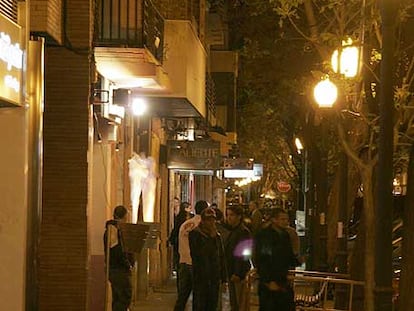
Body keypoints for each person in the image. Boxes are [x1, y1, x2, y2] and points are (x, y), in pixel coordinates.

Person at [254, 208, 299, 311]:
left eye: (286, 219)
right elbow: (262, 259)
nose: (285, 222)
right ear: (274, 220)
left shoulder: (285, 235)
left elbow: (288, 256)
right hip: (269, 284)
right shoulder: (265, 236)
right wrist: (268, 280)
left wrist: (297, 261)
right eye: (282, 219)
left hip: (283, 281)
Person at [173, 200, 209, 311]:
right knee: (198, 296)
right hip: (196, 264)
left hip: (183, 262)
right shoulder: (203, 226)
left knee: (182, 296)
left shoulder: (185, 225)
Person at [189, 208, 226, 311]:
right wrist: (211, 239)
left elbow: (221, 256)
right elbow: (198, 255)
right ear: (203, 221)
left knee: (212, 306)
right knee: (200, 305)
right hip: (201, 278)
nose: (211, 223)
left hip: (214, 278)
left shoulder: (216, 236)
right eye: (208, 220)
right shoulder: (195, 234)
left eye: (213, 220)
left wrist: (224, 279)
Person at [103, 205, 134, 311]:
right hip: (119, 269)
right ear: (124, 217)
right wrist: (127, 264)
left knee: (118, 297)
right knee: (124, 296)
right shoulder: (114, 231)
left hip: (114, 268)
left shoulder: (113, 230)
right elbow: (117, 251)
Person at [223, 205, 252, 311]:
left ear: (239, 216)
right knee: (234, 302)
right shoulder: (234, 231)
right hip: (232, 271)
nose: (229, 217)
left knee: (240, 303)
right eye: (227, 215)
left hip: (238, 273)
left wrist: (238, 273)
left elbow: (244, 254)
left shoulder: (242, 231)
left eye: (232, 215)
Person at [168, 202, 192, 288]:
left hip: (178, 245)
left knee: (180, 265)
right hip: (185, 246)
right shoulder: (189, 219)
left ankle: (181, 285)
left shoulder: (178, 217)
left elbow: (175, 230)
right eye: (189, 208)